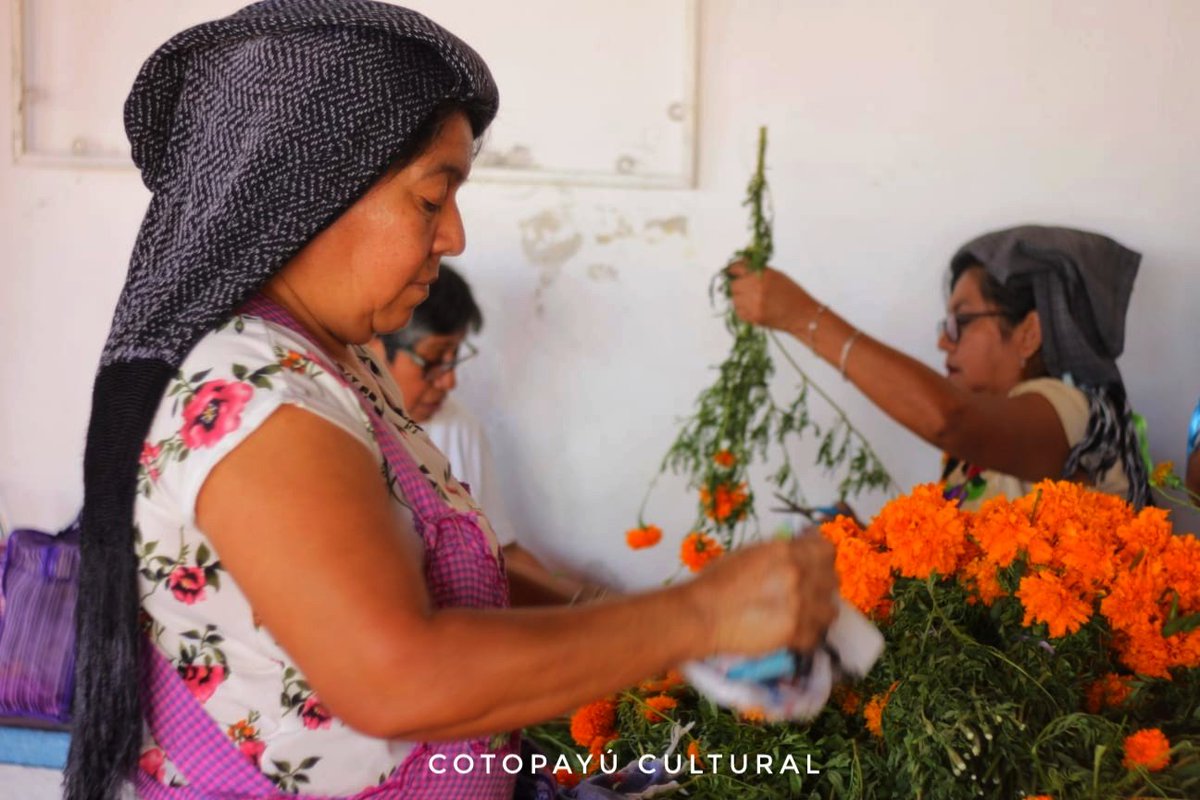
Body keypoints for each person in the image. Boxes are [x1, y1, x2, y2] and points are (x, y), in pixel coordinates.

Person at [68, 3, 838, 799]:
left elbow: (445, 576)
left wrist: (661, 631)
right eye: (433, 199)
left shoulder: (331, 361)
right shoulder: (250, 395)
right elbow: (396, 678)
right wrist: (699, 617)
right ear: (311, 190)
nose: (454, 237)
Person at [729, 225, 1150, 512]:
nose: (943, 342)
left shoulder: (1076, 409)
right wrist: (862, 544)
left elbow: (949, 419)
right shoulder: (972, 454)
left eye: (960, 322)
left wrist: (804, 318)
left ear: (1028, 333)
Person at [371, 264, 603, 605]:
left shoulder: (457, 426)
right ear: (372, 348)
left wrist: (584, 602)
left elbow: (500, 552)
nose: (449, 381)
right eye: (433, 359)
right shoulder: (340, 429)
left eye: (454, 358)